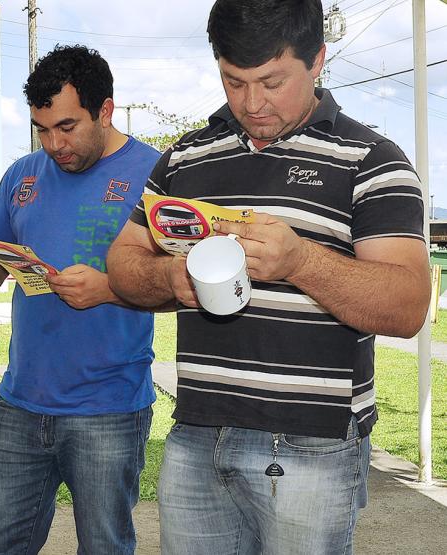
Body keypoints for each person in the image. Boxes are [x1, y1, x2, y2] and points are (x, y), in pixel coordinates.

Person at [106, 1, 430, 553]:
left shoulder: (372, 161)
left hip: (313, 446)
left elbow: (408, 305)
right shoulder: (186, 158)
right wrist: (171, 277)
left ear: (317, 60)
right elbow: (122, 264)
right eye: (233, 82)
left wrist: (301, 261)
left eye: (272, 82)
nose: (252, 103)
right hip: (196, 435)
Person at [0, 45, 161, 554]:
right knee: (3, 546)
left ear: (105, 110)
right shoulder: (22, 175)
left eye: (67, 127)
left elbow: (182, 283)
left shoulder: (156, 173)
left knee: (104, 547)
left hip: (109, 408)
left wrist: (109, 288)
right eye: (42, 130)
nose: (54, 144)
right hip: (19, 403)